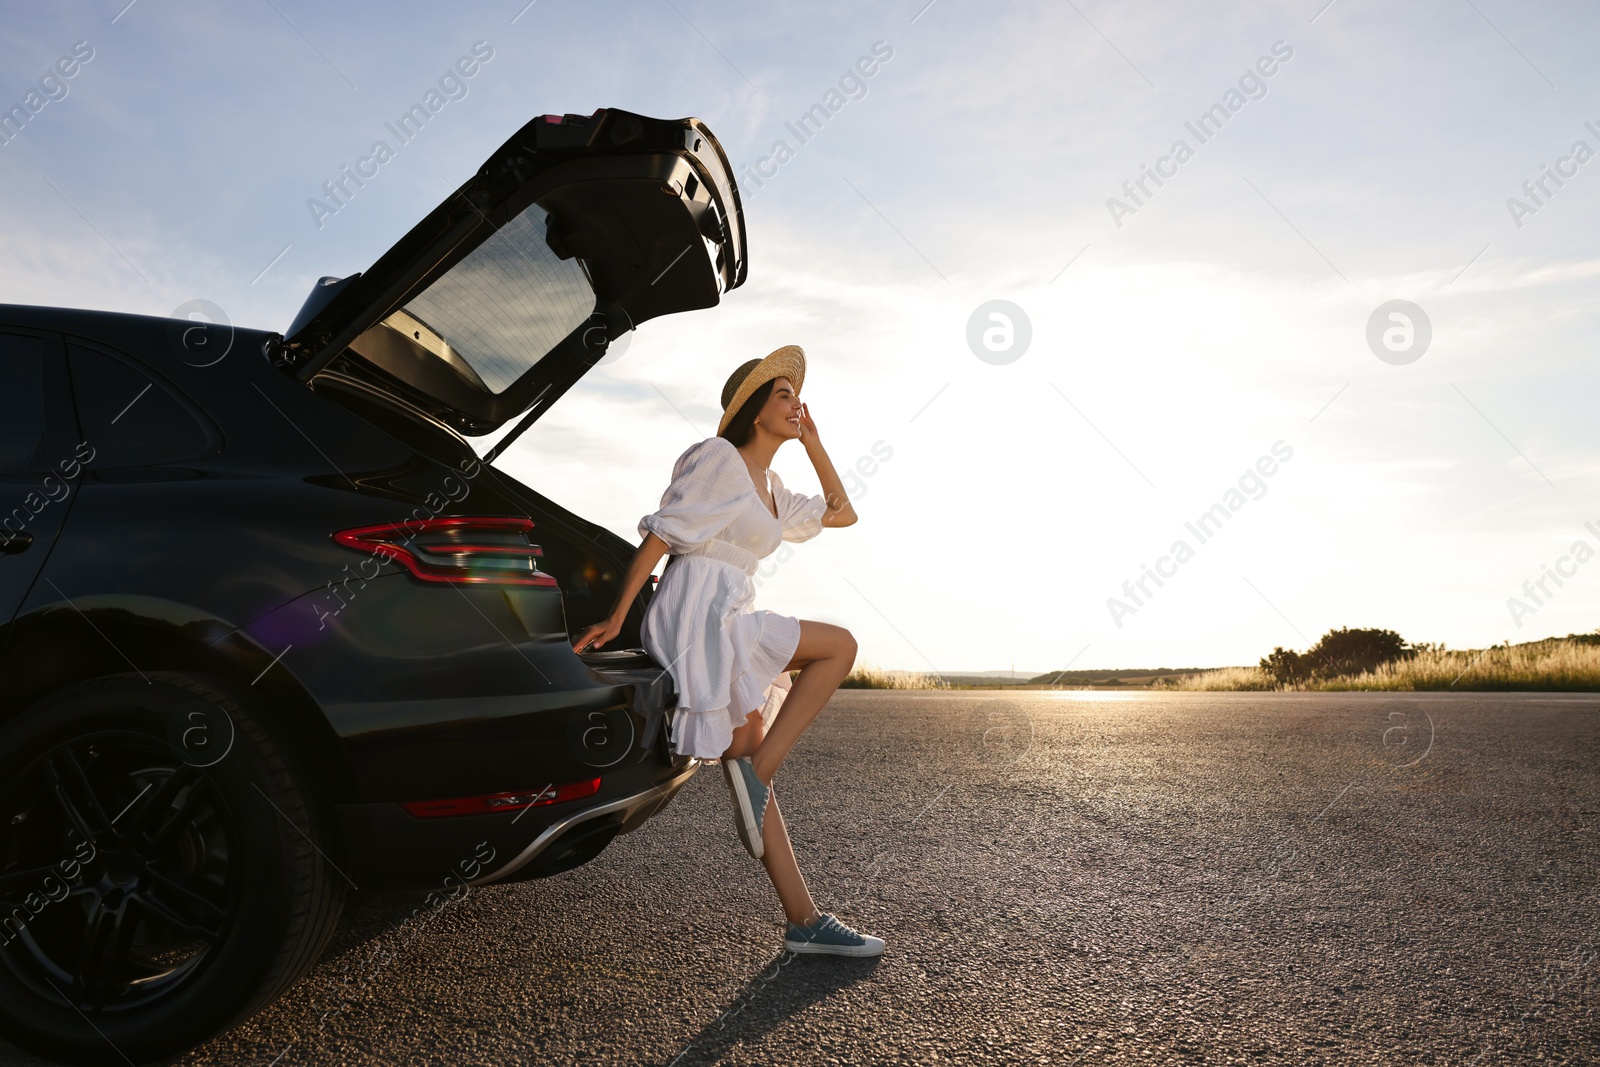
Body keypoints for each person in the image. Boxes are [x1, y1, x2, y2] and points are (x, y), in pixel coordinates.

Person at [573, 345, 883, 957]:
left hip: (729, 610)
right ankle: (762, 780)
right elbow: (662, 533)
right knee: (838, 647)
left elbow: (843, 514)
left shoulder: (773, 486)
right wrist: (618, 616)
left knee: (745, 754)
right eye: (784, 395)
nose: (796, 404)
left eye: (798, 396)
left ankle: (803, 921)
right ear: (753, 410)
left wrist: (812, 442)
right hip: (694, 612)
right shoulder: (719, 458)